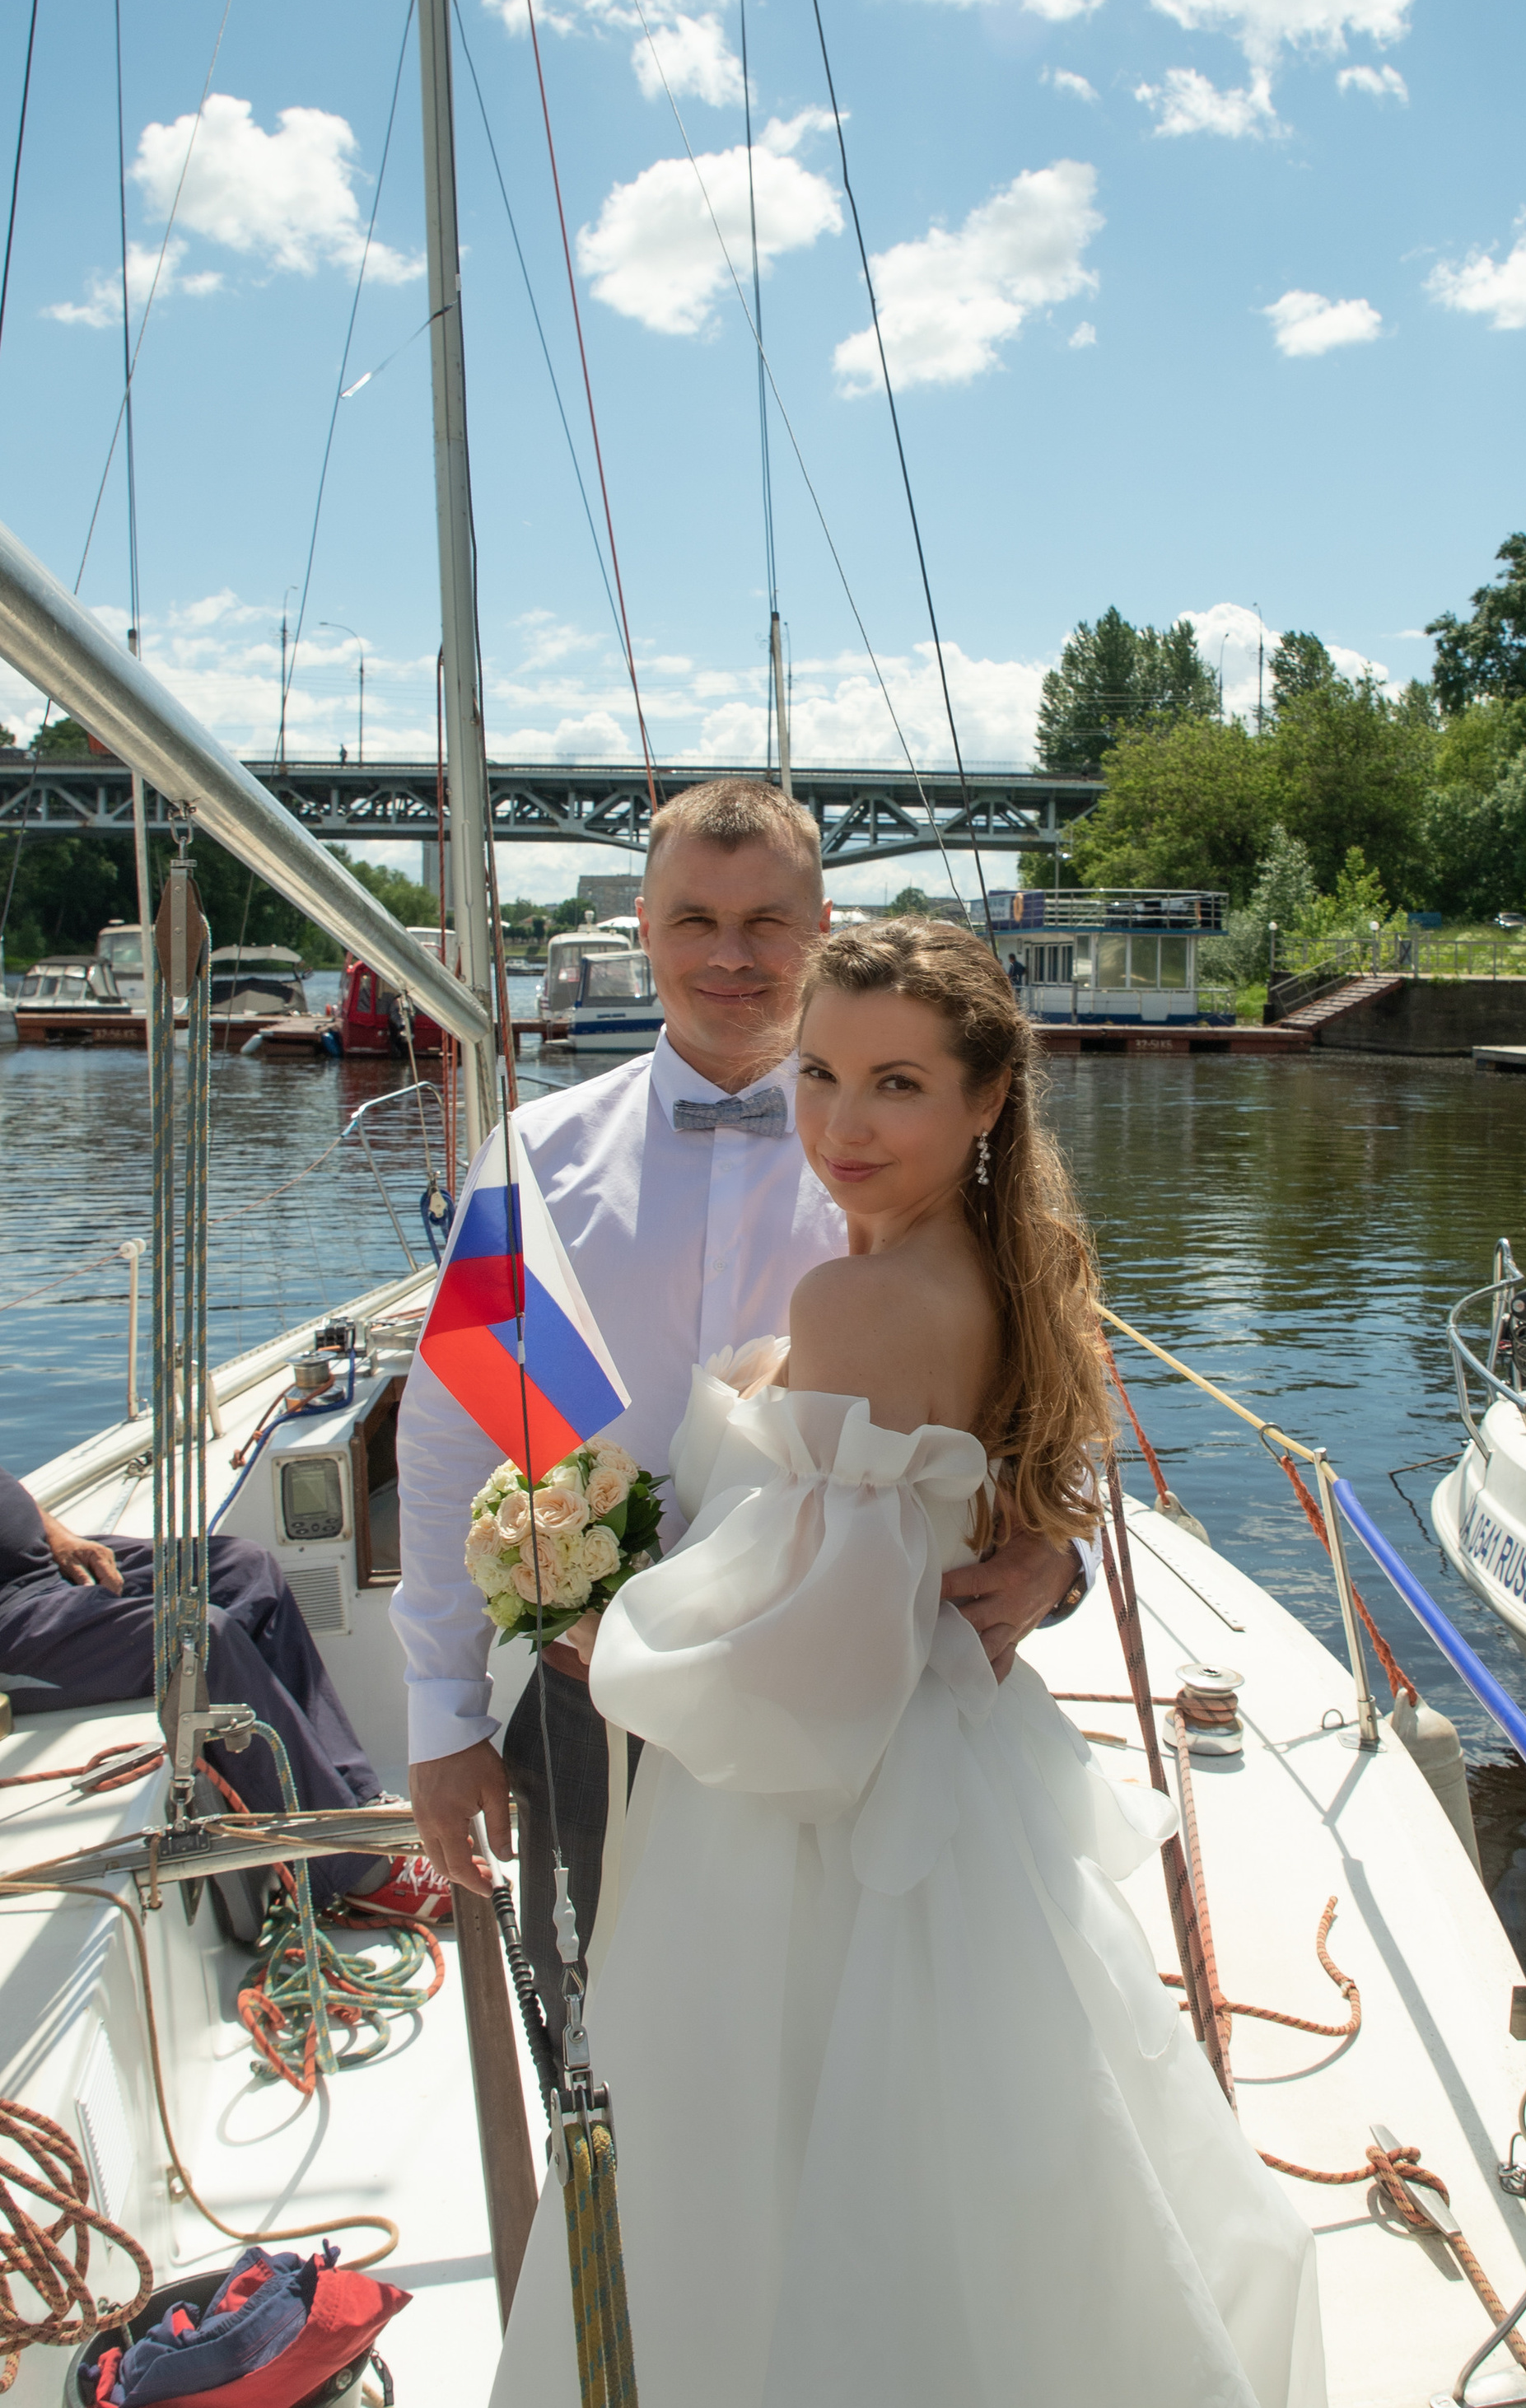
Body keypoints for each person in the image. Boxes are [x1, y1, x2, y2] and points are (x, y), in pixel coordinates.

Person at [408, 922, 1376, 2408]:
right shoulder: (987, 1270)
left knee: (756, 2217)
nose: (842, 1121)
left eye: (897, 1084)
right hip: (945, 1793)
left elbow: (812, 1665)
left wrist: (592, 1625)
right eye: (822, 1075)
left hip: (805, 1829)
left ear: (986, 1096)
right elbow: (950, 1540)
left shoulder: (866, 1302)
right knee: (951, 2218)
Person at [394, 782, 1085, 2021]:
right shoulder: (536, 1162)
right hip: (588, 1696)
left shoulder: (908, 1151)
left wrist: (1057, 1553)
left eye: (767, 919)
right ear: (644, 928)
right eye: (694, 918)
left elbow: (1044, 1384)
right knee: (607, 2034)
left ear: (822, 926)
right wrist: (444, 1713)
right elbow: (462, 1430)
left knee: (844, 2054)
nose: (729, 953)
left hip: (863, 1701)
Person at [0, 1464, 437, 1916]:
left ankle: (356, 1801)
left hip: (49, 1566)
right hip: (12, 1623)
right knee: (201, 1638)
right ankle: (356, 1873)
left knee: (246, 1569)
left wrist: (59, 1535)